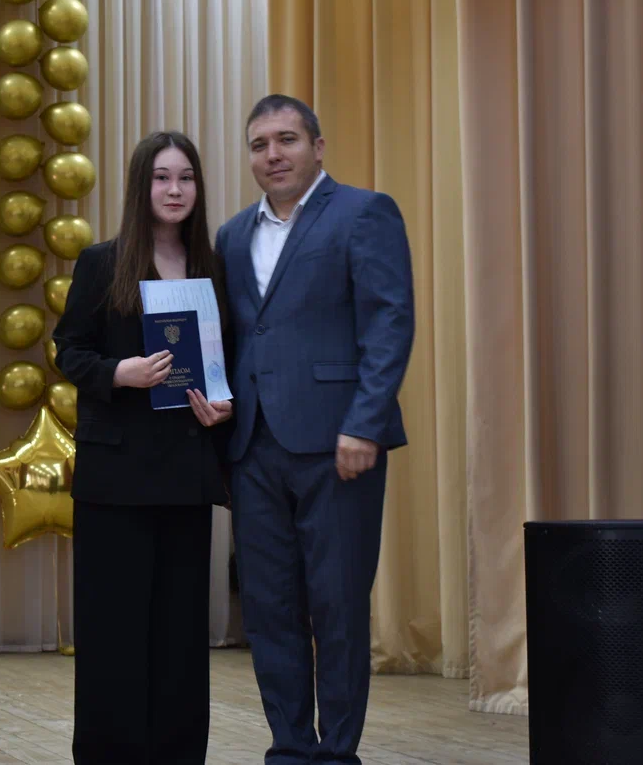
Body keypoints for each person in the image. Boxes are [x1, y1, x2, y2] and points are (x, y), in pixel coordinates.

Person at [214, 94, 415, 765]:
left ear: (318, 147)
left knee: (337, 607)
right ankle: (291, 748)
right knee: (268, 609)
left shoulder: (364, 212)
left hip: (340, 446)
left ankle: (338, 754)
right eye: (259, 144)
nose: (272, 154)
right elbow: (234, 338)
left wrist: (365, 423)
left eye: (287, 139)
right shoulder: (232, 235)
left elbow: (389, 322)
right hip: (252, 449)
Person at [53, 130, 234, 764]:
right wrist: (118, 373)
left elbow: (229, 360)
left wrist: (225, 404)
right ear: (141, 185)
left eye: (185, 177)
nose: (175, 189)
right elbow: (69, 351)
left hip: (186, 475)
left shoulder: (214, 266)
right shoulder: (102, 262)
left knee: (180, 635)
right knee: (114, 633)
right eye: (162, 177)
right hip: (116, 480)